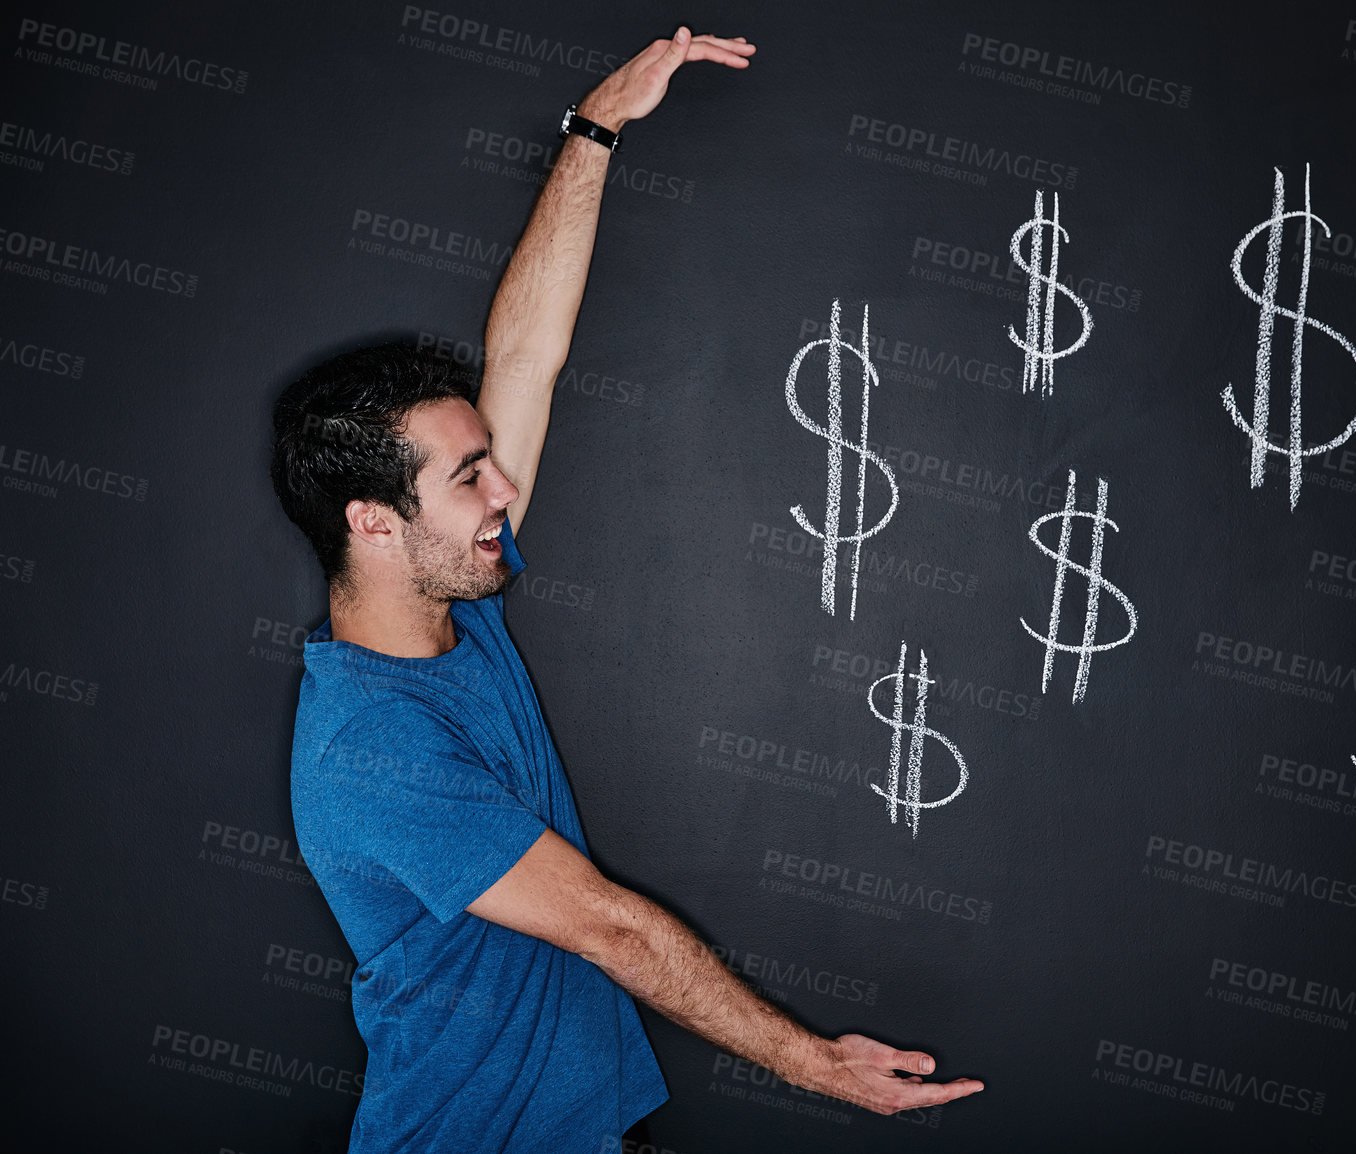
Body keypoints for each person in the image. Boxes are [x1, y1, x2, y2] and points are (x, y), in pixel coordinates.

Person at [268, 27, 983, 1153]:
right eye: (469, 476)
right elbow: (608, 925)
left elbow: (526, 356)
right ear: (373, 522)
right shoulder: (370, 745)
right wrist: (817, 1064)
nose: (506, 482)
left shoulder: (460, 602)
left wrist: (595, 129)